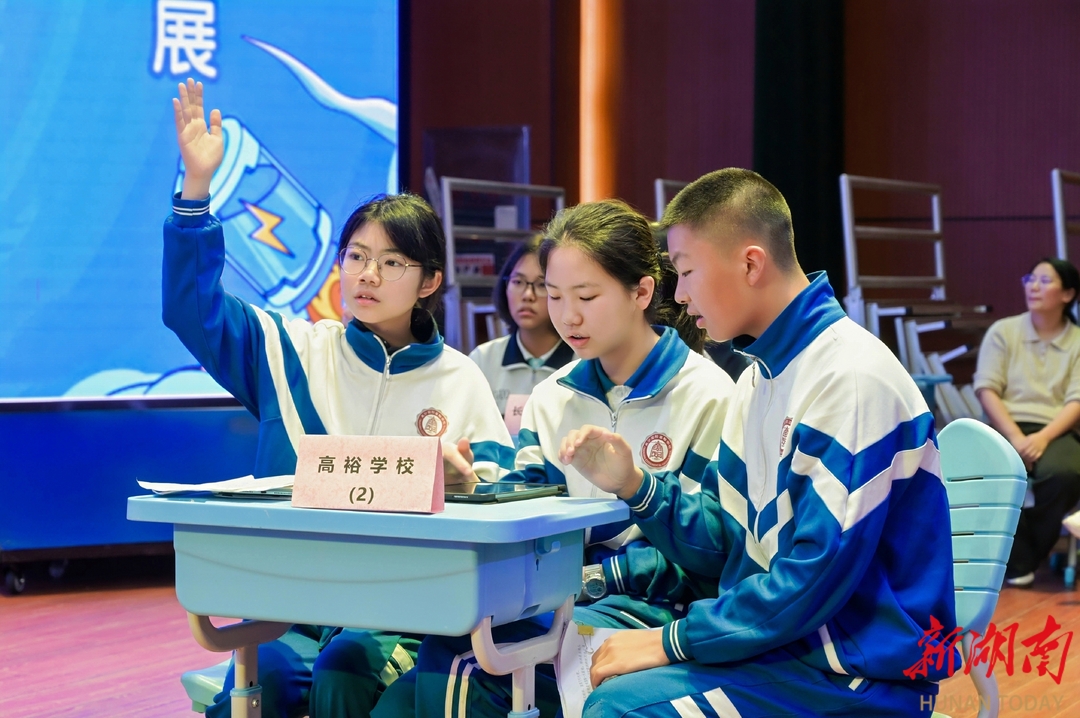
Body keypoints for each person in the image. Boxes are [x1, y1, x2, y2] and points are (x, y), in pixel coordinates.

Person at [166, 79, 514, 718]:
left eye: (392, 262)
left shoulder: (461, 379)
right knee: (260, 680)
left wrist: (466, 485)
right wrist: (196, 189)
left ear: (430, 281)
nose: (367, 275)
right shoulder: (291, 350)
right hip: (294, 607)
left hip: (405, 612)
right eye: (356, 256)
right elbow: (192, 309)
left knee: (344, 672)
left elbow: (498, 497)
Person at [557, 169, 958, 716]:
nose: (679, 294)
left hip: (856, 676)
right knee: (564, 672)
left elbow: (812, 577)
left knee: (619, 708)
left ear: (750, 264)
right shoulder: (758, 378)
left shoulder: (849, 377)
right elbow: (725, 538)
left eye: (687, 271)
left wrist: (672, 640)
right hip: (783, 651)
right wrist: (637, 487)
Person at [378, 199, 736, 718]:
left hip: (652, 613)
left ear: (642, 292)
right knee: (394, 699)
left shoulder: (708, 395)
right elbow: (527, 504)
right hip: (557, 603)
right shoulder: (553, 396)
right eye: (554, 294)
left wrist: (636, 489)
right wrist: (471, 492)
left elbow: (714, 553)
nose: (568, 316)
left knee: (457, 664)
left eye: (586, 296)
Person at [974, 257, 1080, 588]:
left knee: (1065, 473)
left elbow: (1076, 401)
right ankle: (1019, 559)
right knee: (989, 472)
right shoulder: (1003, 331)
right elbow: (987, 389)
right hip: (1006, 425)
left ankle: (1021, 558)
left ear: (1068, 294)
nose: (1034, 286)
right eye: (1030, 279)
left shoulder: (1077, 340)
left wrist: (1042, 438)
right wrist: (1017, 437)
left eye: (1045, 281)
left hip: (1057, 429)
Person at [469, 235, 575, 416]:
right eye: (518, 282)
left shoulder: (583, 363)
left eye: (541, 285)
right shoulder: (483, 360)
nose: (527, 295)